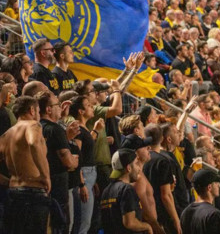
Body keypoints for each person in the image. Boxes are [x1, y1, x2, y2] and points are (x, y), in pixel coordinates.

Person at [1, 96, 51, 233]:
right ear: (32, 110)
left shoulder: (7, 134)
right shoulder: (32, 125)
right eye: (39, 111)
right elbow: (33, 143)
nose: (39, 115)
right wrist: (45, 176)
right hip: (33, 192)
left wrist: (7, 180)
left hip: (13, 193)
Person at [37, 91, 78, 233]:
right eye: (57, 105)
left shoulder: (36, 127)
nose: (60, 107)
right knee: (61, 224)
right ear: (48, 109)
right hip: (58, 185)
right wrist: (75, 161)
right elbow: (68, 162)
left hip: (41, 185)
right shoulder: (56, 129)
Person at [69, 95, 105, 234]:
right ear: (81, 111)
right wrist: (82, 183)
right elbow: (77, 154)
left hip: (89, 175)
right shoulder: (77, 128)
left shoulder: (83, 128)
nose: (92, 107)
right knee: (83, 223)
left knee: (87, 221)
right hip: (83, 175)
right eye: (88, 105)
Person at [100, 148, 153, 234]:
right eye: (136, 164)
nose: (139, 168)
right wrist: (147, 226)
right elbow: (130, 223)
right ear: (128, 168)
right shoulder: (127, 189)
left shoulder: (106, 191)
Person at [121, 133, 164, 234]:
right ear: (135, 153)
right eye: (144, 147)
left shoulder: (140, 174)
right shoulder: (138, 179)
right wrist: (158, 230)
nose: (149, 148)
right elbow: (144, 212)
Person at [143, 123, 181, 234]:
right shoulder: (163, 161)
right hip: (162, 214)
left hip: (146, 211)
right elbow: (166, 195)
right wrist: (176, 219)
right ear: (162, 139)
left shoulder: (141, 158)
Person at [180, 169, 220, 234]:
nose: (219, 185)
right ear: (209, 187)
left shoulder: (185, 212)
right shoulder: (214, 214)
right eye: (216, 182)